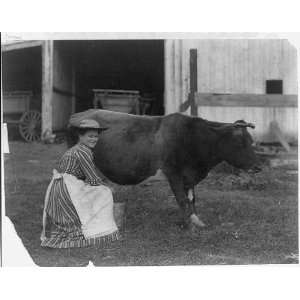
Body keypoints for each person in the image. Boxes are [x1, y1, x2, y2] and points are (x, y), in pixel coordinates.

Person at [41, 119, 120, 248]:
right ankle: (98, 228)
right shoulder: (82, 152)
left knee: (97, 191)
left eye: (96, 136)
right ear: (80, 136)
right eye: (90, 136)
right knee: (104, 193)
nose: (94, 139)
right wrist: (108, 187)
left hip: (60, 187)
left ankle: (91, 223)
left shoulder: (77, 149)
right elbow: (93, 178)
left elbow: (86, 176)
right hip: (67, 188)